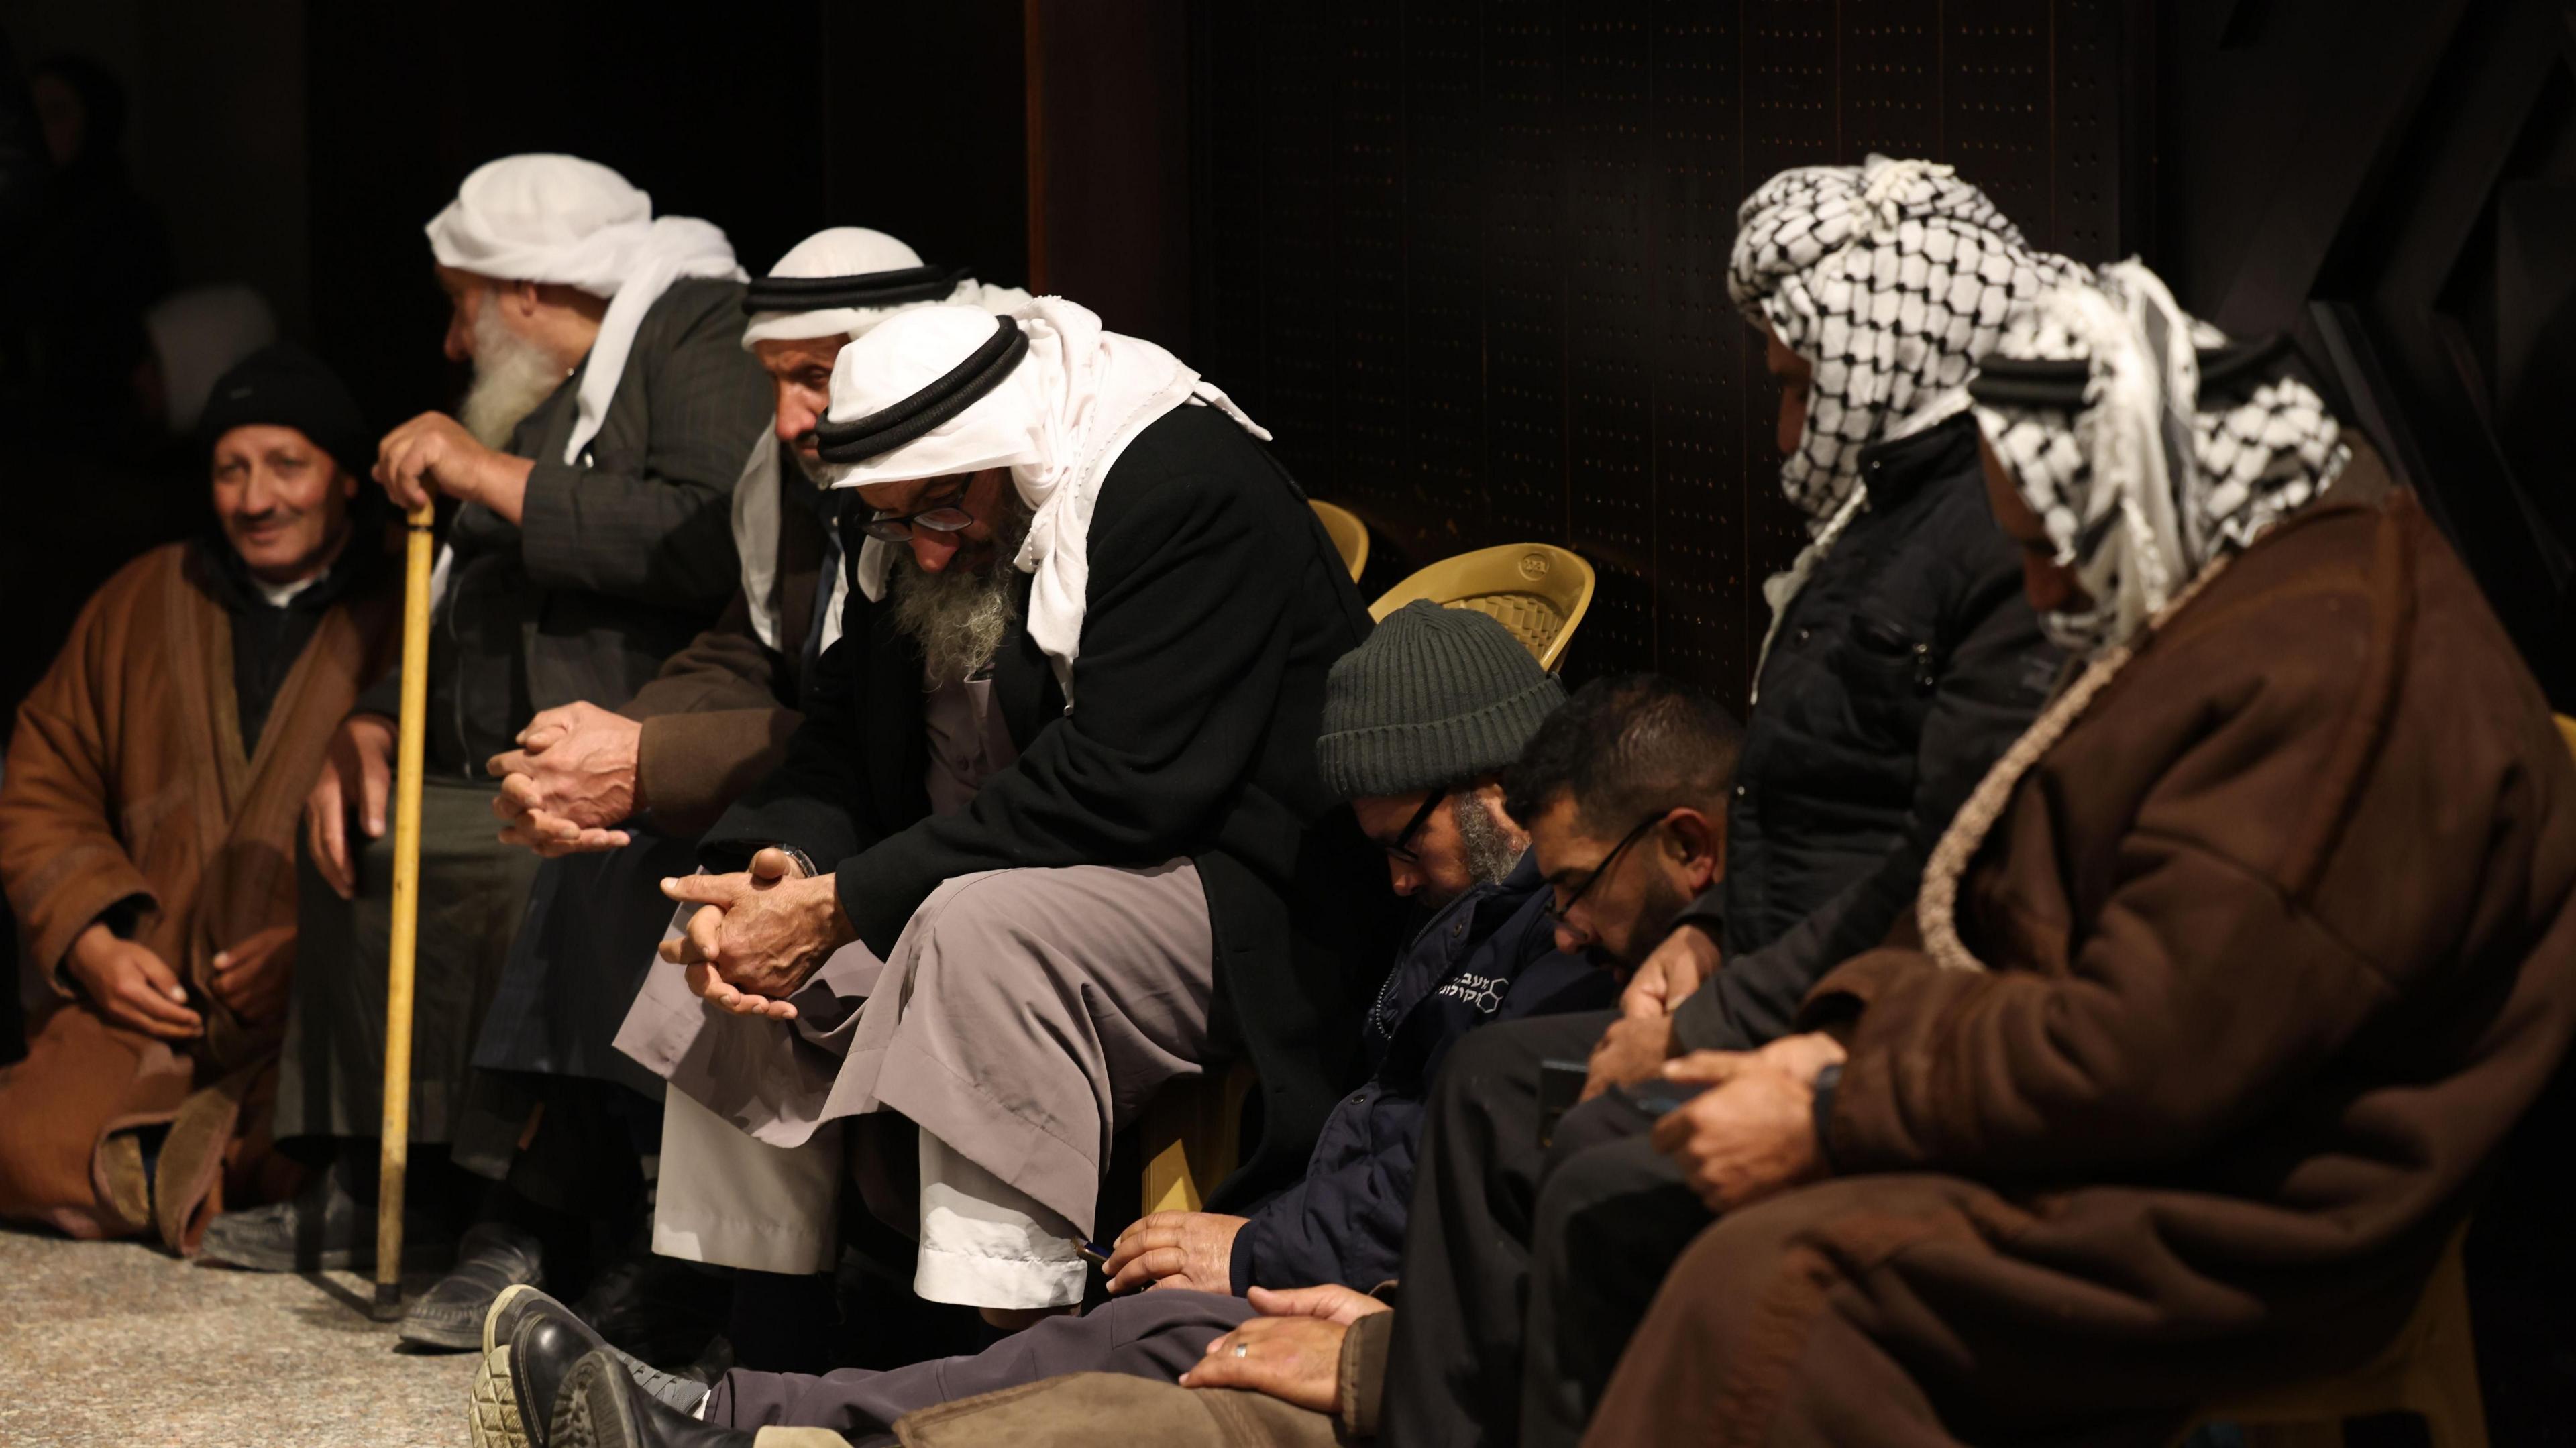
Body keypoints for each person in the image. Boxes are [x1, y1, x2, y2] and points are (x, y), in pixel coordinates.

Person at [1585, 260, 2576, 1448]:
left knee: (1769, 1292)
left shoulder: (2327, 674)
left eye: (2056, 544)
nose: (2046, 592)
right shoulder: (2235, 588)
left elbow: (2150, 1050)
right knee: (1656, 1189)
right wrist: (1833, 1044)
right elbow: (2024, 910)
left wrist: (1842, 1106)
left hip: (2266, 1203)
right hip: (2161, 1125)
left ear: (2148, 487)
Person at [464, 632, 1715, 1448]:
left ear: (1502, 798)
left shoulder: (1602, 976)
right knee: (1103, 1345)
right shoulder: (1484, 927)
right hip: (1369, 1288)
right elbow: (1396, 1137)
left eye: (1409, 844)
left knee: (1112, 1377)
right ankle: (725, 1411)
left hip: (1408, 1325)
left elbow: (1476, 1182)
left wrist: (1278, 1250)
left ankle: (722, 1424)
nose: (1391, 881)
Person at [1383, 154, 2074, 1447]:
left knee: (1600, 1171)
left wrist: (1735, 1009)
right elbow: (1815, 804)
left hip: (1893, 1006)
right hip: (1779, 969)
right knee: (1483, 1083)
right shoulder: (1885, 523)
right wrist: (1708, 933)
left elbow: (1946, 857)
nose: (1787, 432)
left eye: (1804, 389)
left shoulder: (1998, 541)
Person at [614, 295, 1398, 1324]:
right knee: (721, 937)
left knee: (974, 929)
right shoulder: (902, 515)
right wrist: (788, 875)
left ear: (1008, 453)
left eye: (944, 511)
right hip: (1007, 855)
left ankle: (1005, 1353)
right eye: (899, 521)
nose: (927, 553)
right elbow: (842, 741)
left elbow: (1121, 785)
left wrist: (847, 903)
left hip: (1232, 885)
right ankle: (765, 1340)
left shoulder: (1178, 487)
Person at [403, 228, 1030, 1357]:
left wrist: (648, 768)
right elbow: (749, 649)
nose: (792, 417)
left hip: (936, 826)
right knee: (616, 858)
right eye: (776, 381)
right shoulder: (788, 480)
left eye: (818, 377)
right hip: (833, 796)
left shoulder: (976, 483)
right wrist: (602, 748)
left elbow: (892, 741)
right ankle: (637, 1239)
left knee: (708, 878)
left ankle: (686, 1269)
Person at [201, 154, 772, 1276]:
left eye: (462, 305)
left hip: (648, 732)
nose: (456, 343)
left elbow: (710, 535)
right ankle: (377, 1183)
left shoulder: (695, 330)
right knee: (369, 838)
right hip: (488, 748)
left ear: (522, 288)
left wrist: (488, 474)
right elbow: (464, 595)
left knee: (534, 865)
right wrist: (374, 716)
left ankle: (528, 1210)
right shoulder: (536, 393)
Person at [0, 343, 394, 1252]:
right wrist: (93, 945)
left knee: (363, 1139)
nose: (257, 498)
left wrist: (318, 946)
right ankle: (237, 1190)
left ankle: (226, 1176)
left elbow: (443, 802)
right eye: (231, 470)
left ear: (343, 478)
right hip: (160, 995)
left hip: (322, 1009)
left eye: (288, 465)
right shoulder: (144, 596)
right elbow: (42, 780)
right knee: (29, 1146)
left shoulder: (402, 604)